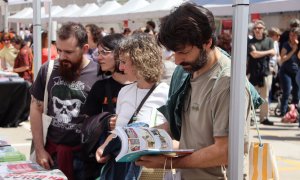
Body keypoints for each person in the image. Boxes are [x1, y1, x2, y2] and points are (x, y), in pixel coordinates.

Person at [134, 3, 252, 180]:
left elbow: (225, 151)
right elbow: (178, 124)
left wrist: (171, 163)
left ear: (207, 42)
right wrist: (138, 139)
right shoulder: (186, 72)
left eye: (184, 52)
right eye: (174, 52)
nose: (177, 60)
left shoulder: (227, 82)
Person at [29, 22, 102, 180]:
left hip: (87, 160)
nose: (62, 57)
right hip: (51, 155)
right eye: (59, 50)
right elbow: (36, 109)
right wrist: (40, 150)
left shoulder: (99, 74)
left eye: (68, 52)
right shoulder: (47, 70)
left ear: (84, 49)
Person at [95, 33, 169, 179]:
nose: (121, 67)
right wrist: (104, 147)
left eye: (124, 62)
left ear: (140, 62)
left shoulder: (166, 93)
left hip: (150, 173)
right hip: (121, 170)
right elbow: (119, 130)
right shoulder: (125, 91)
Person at [81, 33, 129, 179]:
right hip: (104, 159)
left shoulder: (140, 86)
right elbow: (87, 124)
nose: (98, 57)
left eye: (104, 52)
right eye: (98, 52)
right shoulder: (100, 87)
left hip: (133, 160)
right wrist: (105, 122)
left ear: (121, 54)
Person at [247, 20, 275, 125]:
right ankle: (250, 118)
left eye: (259, 28)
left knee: (265, 96)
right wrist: (266, 52)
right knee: (250, 96)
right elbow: (254, 54)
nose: (257, 30)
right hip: (252, 71)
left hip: (265, 72)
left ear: (264, 29)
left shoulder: (269, 40)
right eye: (255, 28)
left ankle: (264, 118)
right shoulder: (250, 42)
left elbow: (273, 52)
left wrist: (260, 53)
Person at [279, 27, 300, 118]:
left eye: (294, 35)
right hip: (285, 71)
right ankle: (283, 112)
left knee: (297, 93)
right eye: (290, 35)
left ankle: (294, 112)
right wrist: (293, 50)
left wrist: (297, 47)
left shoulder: (299, 45)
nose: (292, 37)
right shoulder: (285, 45)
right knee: (287, 91)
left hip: (296, 71)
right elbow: (283, 59)